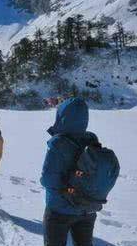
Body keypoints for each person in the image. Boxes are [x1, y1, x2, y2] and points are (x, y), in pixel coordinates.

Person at [41, 97, 98, 246]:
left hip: (59, 209)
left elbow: (48, 179)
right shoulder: (91, 140)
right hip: (86, 208)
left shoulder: (58, 143)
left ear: (62, 117)